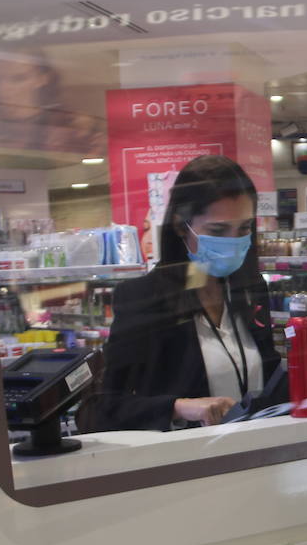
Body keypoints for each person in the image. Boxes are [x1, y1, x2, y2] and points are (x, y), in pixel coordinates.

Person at [79, 155, 286, 431]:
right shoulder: (144, 298)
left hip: (256, 453)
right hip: (186, 462)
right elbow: (102, 408)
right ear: (180, 226)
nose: (233, 242)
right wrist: (177, 407)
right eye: (217, 230)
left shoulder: (249, 288)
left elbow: (270, 378)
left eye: (244, 228)